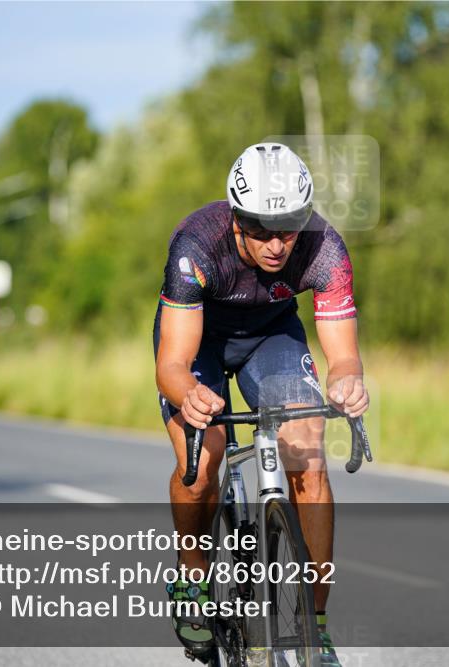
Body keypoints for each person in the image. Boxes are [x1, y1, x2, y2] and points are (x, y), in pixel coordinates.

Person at [154, 142, 369, 666]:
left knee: (307, 452)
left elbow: (344, 358)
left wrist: (346, 383)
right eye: (260, 229)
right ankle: (191, 575)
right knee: (201, 458)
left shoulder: (324, 247)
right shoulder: (196, 246)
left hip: (271, 338)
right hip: (199, 343)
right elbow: (172, 365)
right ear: (235, 220)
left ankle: (315, 629)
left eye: (288, 228)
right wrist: (190, 395)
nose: (277, 244)